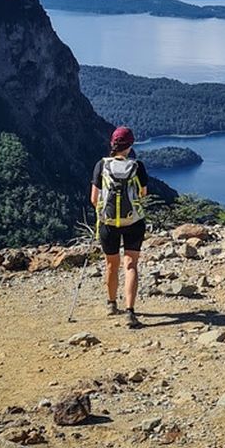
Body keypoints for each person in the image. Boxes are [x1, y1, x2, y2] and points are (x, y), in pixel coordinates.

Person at [91, 126, 149, 329]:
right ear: (130, 145)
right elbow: (142, 194)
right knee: (131, 265)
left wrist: (106, 211)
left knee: (111, 264)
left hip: (108, 224)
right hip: (133, 223)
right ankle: (130, 312)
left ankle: (111, 303)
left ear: (112, 144)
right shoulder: (137, 166)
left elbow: (94, 198)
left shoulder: (101, 165)